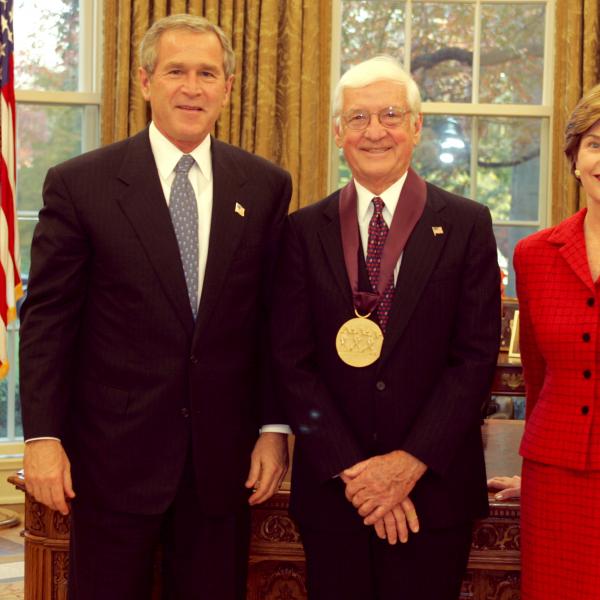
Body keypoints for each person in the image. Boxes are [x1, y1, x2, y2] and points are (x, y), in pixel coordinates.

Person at [19, 14, 291, 600]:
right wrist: (41, 436)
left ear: (227, 86)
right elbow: (47, 320)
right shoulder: (80, 184)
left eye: (207, 73)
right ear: (146, 81)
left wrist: (273, 427)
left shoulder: (265, 186)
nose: (191, 88)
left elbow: (273, 319)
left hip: (223, 467)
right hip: (112, 461)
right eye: (176, 71)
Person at [271, 55, 501, 600]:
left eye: (391, 114)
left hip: (434, 488)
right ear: (337, 132)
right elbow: (291, 361)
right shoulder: (303, 230)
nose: (375, 131)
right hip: (336, 491)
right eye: (357, 118)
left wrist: (406, 465)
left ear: (417, 127)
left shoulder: (467, 223)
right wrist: (357, 473)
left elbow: (474, 358)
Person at [487, 83, 600, 599]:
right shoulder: (534, 255)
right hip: (556, 478)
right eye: (595, 143)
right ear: (574, 157)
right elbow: (536, 373)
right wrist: (529, 475)